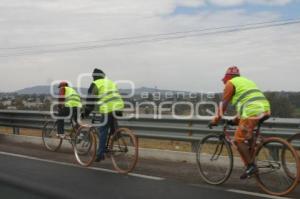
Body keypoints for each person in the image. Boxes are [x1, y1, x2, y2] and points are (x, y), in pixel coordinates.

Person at [210, 66, 271, 179]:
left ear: (227, 78)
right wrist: (235, 121)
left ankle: (251, 166)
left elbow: (224, 104)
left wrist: (215, 120)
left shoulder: (230, 83)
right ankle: (253, 156)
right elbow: (246, 103)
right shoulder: (246, 82)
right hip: (265, 109)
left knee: (238, 140)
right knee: (247, 133)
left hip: (252, 111)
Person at [83, 68, 124, 162]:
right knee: (112, 124)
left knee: (103, 130)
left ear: (94, 77)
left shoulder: (95, 84)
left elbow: (90, 101)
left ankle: (100, 154)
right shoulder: (110, 82)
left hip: (107, 108)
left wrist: (86, 112)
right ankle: (116, 135)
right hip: (118, 106)